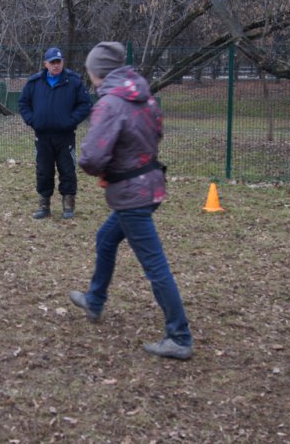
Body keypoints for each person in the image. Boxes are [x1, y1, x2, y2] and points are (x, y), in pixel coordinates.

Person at [68, 41, 193, 360]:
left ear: (97, 71)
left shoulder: (110, 104)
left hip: (130, 194)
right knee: (106, 238)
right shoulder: (143, 95)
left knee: (155, 266)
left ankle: (179, 336)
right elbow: (154, 135)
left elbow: (93, 157)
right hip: (150, 185)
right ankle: (95, 299)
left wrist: (90, 161)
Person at [18, 47, 92, 219]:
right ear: (46, 64)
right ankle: (44, 205)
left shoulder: (73, 81)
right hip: (42, 136)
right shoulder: (34, 83)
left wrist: (70, 121)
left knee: (67, 169)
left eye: (58, 62)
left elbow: (85, 104)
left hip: (65, 136)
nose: (56, 65)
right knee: (44, 170)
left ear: (62, 62)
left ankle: (68, 205)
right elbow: (23, 103)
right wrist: (32, 120)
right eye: (52, 62)